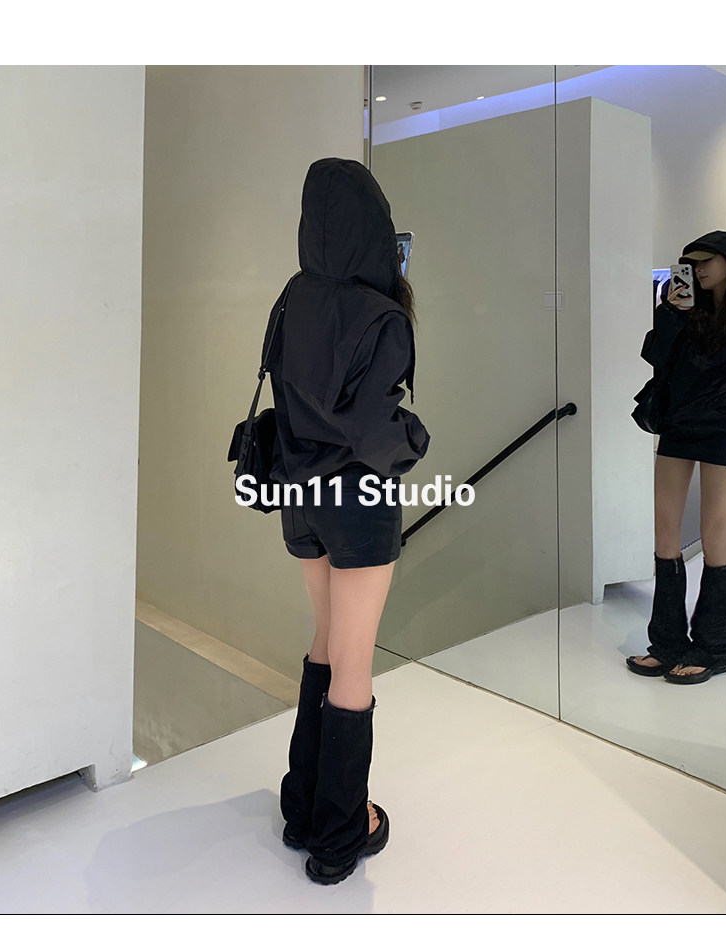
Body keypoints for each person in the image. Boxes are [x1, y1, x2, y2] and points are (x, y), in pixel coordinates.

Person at [263, 158, 430, 884]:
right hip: (358, 506)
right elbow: (373, 432)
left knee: (326, 643)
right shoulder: (381, 315)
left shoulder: (292, 296)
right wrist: (414, 438)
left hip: (297, 498)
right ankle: (338, 833)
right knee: (352, 663)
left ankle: (302, 806)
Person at [628, 231, 726, 684]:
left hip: (723, 427)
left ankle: (713, 646)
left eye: (707, 261)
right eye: (692, 263)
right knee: (665, 533)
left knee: (716, 536)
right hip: (678, 422)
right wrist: (671, 312)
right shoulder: (685, 307)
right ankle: (667, 643)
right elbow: (656, 358)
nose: (698, 269)